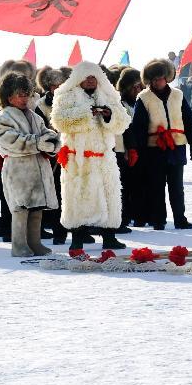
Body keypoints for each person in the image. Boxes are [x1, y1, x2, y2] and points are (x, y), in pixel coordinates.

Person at [50, 61, 131, 251]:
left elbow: (123, 122)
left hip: (104, 157)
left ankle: (109, 236)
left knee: (109, 195)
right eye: (86, 77)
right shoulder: (66, 96)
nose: (90, 81)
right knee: (78, 197)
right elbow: (59, 121)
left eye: (93, 77)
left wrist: (109, 114)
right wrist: (87, 113)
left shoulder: (109, 95)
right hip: (78, 159)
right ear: (78, 79)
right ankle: (77, 238)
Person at [0, 70, 61, 257]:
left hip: (38, 168)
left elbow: (47, 132)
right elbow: (9, 140)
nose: (24, 99)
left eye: (27, 94)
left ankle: (34, 242)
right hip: (18, 170)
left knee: (37, 207)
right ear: (8, 96)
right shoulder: (3, 118)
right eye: (19, 95)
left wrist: (52, 143)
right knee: (21, 208)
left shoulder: (35, 116)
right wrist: (38, 143)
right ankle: (19, 245)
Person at [131, 58, 192, 230]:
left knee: (177, 186)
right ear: (149, 80)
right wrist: (139, 149)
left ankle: (180, 218)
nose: (158, 82)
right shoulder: (143, 98)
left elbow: (189, 120)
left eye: (160, 78)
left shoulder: (178, 95)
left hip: (177, 146)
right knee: (156, 186)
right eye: (154, 79)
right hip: (155, 148)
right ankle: (158, 220)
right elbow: (138, 126)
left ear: (166, 78)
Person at [34, 65, 75, 244]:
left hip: (74, 151)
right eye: (55, 85)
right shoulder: (40, 106)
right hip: (53, 155)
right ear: (49, 87)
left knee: (74, 193)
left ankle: (79, 230)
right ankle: (59, 232)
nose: (58, 88)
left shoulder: (75, 102)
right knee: (56, 194)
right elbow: (40, 130)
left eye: (62, 85)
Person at [114, 67, 144, 230]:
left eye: (139, 86)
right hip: (124, 149)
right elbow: (126, 128)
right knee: (125, 185)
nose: (137, 90)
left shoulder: (141, 102)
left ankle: (139, 214)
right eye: (134, 87)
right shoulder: (121, 104)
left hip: (141, 149)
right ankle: (124, 217)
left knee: (139, 185)